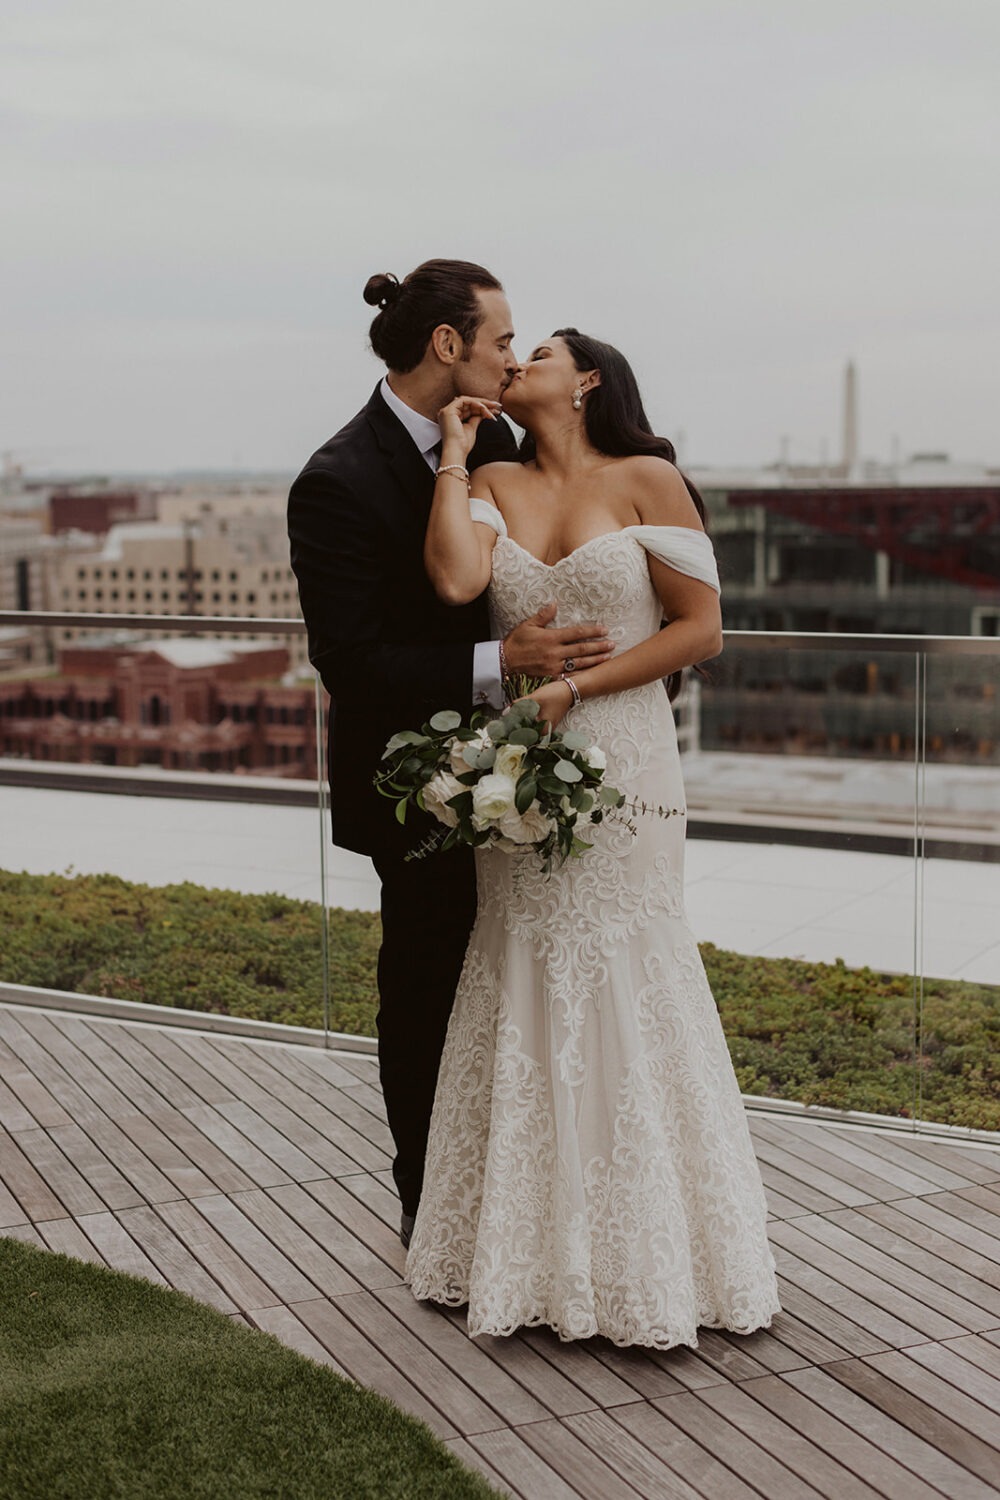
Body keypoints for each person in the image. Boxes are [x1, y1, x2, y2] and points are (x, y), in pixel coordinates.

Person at [406, 328, 780, 1347]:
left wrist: (569, 689)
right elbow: (451, 581)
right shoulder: (487, 477)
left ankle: (655, 1256)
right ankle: (529, 1261)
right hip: (524, 762)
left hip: (623, 756)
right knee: (522, 966)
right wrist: (450, 448)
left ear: (589, 381)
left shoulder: (649, 476)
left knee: (629, 964)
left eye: (542, 349)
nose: (516, 358)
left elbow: (699, 629)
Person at [287, 268, 615, 1249]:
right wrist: (494, 663)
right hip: (415, 785)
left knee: (525, 986)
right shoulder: (336, 478)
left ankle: (525, 1193)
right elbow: (348, 658)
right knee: (428, 992)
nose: (513, 356)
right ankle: (429, 1208)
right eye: (500, 338)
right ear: (445, 345)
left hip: (531, 767)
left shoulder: (505, 438)